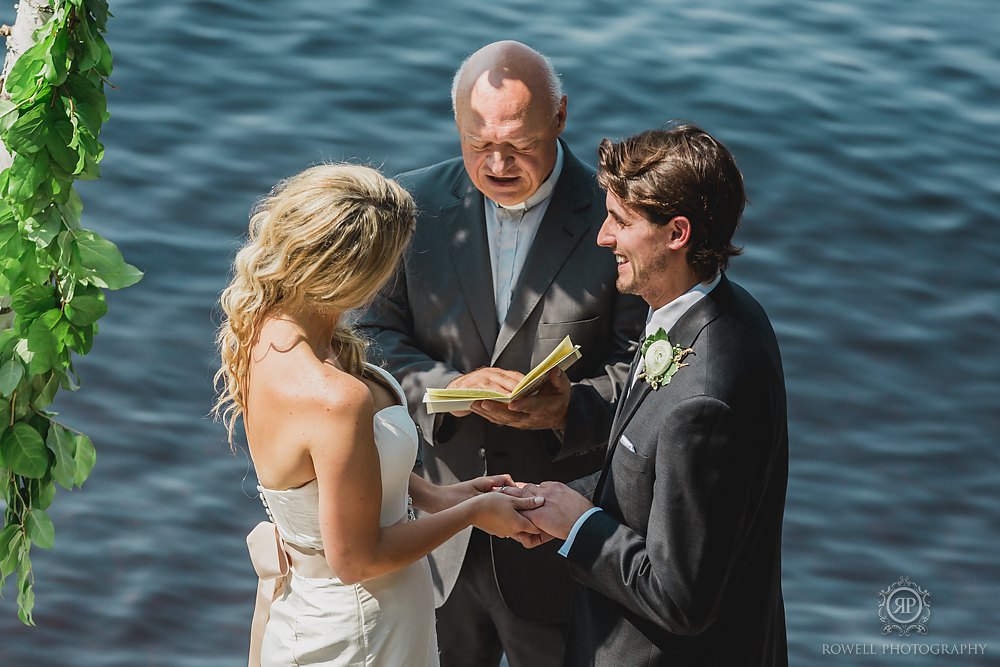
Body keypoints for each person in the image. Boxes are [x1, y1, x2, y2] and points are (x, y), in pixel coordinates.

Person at [357, 42, 646, 667]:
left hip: (556, 537)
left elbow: (646, 368)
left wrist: (570, 408)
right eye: (477, 142)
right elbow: (372, 334)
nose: (496, 163)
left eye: (517, 144)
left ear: (561, 118)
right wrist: (446, 386)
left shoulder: (617, 220)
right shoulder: (410, 205)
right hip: (434, 527)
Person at [213, 163, 545, 667]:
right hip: (359, 633)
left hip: (331, 609)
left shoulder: (264, 329)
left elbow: (332, 475)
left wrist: (435, 495)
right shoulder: (334, 397)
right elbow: (357, 560)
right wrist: (471, 515)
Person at [508, 124, 789, 666]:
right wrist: (548, 497)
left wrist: (578, 525)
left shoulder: (703, 400)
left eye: (620, 221)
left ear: (676, 232)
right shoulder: (724, 311)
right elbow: (655, 472)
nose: (602, 237)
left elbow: (681, 599)